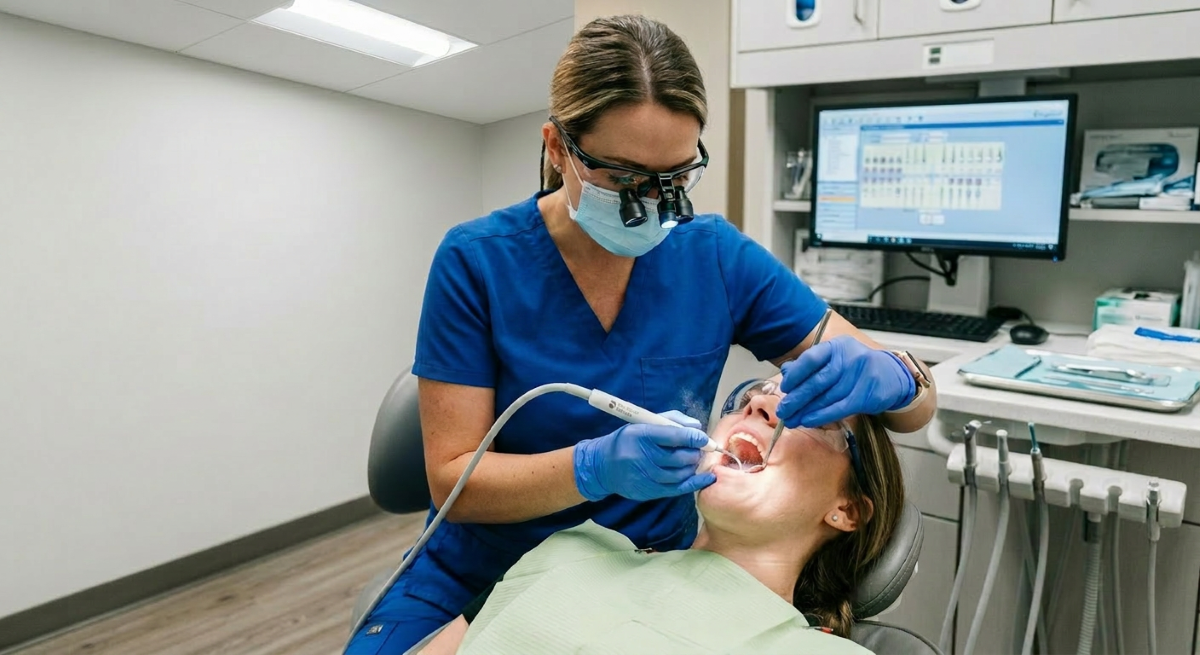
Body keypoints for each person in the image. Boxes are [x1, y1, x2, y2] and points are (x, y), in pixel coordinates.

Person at [346, 14, 936, 654]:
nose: (654, 203)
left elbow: (911, 411)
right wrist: (594, 468)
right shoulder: (477, 261)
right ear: (557, 147)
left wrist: (899, 377)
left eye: (676, 178)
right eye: (626, 179)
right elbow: (453, 483)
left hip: (648, 564)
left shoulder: (716, 258)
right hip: (474, 573)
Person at [415, 376, 906, 654]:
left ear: (846, 510)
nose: (760, 405)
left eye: (814, 415)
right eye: (751, 395)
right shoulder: (572, 549)